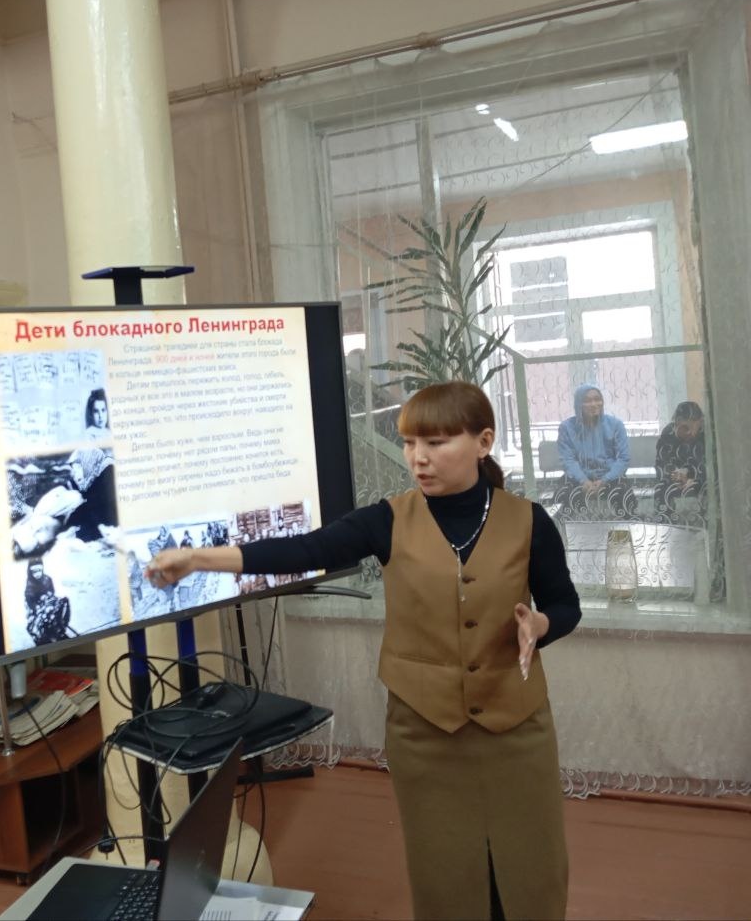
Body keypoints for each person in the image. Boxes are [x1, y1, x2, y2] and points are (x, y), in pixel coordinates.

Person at [146, 382, 581, 921]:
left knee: (530, 861)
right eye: (409, 443)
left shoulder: (529, 520)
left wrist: (539, 624)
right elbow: (306, 549)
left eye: (436, 442)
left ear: (483, 441)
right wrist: (198, 559)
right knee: (445, 868)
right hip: (426, 731)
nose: (418, 458)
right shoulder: (388, 519)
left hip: (516, 725)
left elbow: (565, 606)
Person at [553, 382, 636, 518]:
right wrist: (583, 481)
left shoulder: (615, 425)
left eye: (597, 399)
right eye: (587, 401)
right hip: (578, 478)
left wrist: (605, 480)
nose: (594, 404)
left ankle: (625, 530)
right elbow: (567, 460)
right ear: (578, 404)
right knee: (563, 494)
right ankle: (563, 531)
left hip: (610, 476)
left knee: (624, 495)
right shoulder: (567, 428)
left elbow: (623, 458)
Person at [654, 401, 706, 523]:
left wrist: (692, 479)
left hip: (698, 477)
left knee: (707, 487)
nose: (691, 433)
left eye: (695, 428)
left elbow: (706, 463)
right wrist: (677, 475)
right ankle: (665, 525)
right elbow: (662, 463)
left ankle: (705, 526)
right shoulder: (668, 433)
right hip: (676, 476)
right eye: (686, 428)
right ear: (677, 422)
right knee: (661, 489)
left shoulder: (703, 434)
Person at [23, 558, 71, 645]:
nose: (37, 574)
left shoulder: (47, 579)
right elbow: (30, 600)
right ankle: (43, 635)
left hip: (48, 601)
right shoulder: (30, 584)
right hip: (37, 607)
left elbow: (52, 591)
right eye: (34, 572)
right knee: (40, 620)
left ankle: (60, 626)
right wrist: (37, 606)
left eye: (39, 570)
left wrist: (49, 595)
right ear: (30, 572)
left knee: (63, 602)